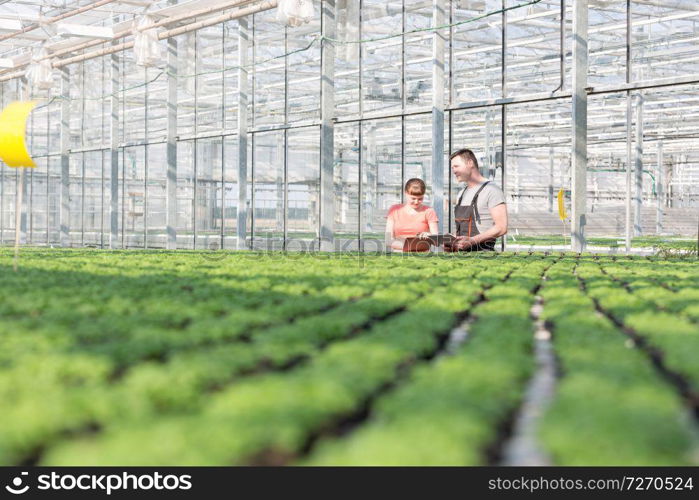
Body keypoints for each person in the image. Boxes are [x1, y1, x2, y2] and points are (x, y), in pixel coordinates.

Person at [445, 148, 508, 252]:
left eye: (456, 166)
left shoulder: (491, 190)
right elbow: (463, 231)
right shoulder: (462, 193)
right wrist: (453, 243)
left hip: (483, 256)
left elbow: (501, 227)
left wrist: (472, 240)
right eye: (452, 168)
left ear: (470, 163)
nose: (454, 171)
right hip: (461, 257)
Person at [385, 178, 439, 252]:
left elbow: (436, 239)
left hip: (422, 257)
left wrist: (429, 235)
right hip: (399, 256)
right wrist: (411, 246)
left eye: (420, 199)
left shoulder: (429, 211)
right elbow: (388, 240)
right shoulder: (394, 210)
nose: (416, 202)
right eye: (413, 198)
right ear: (406, 193)